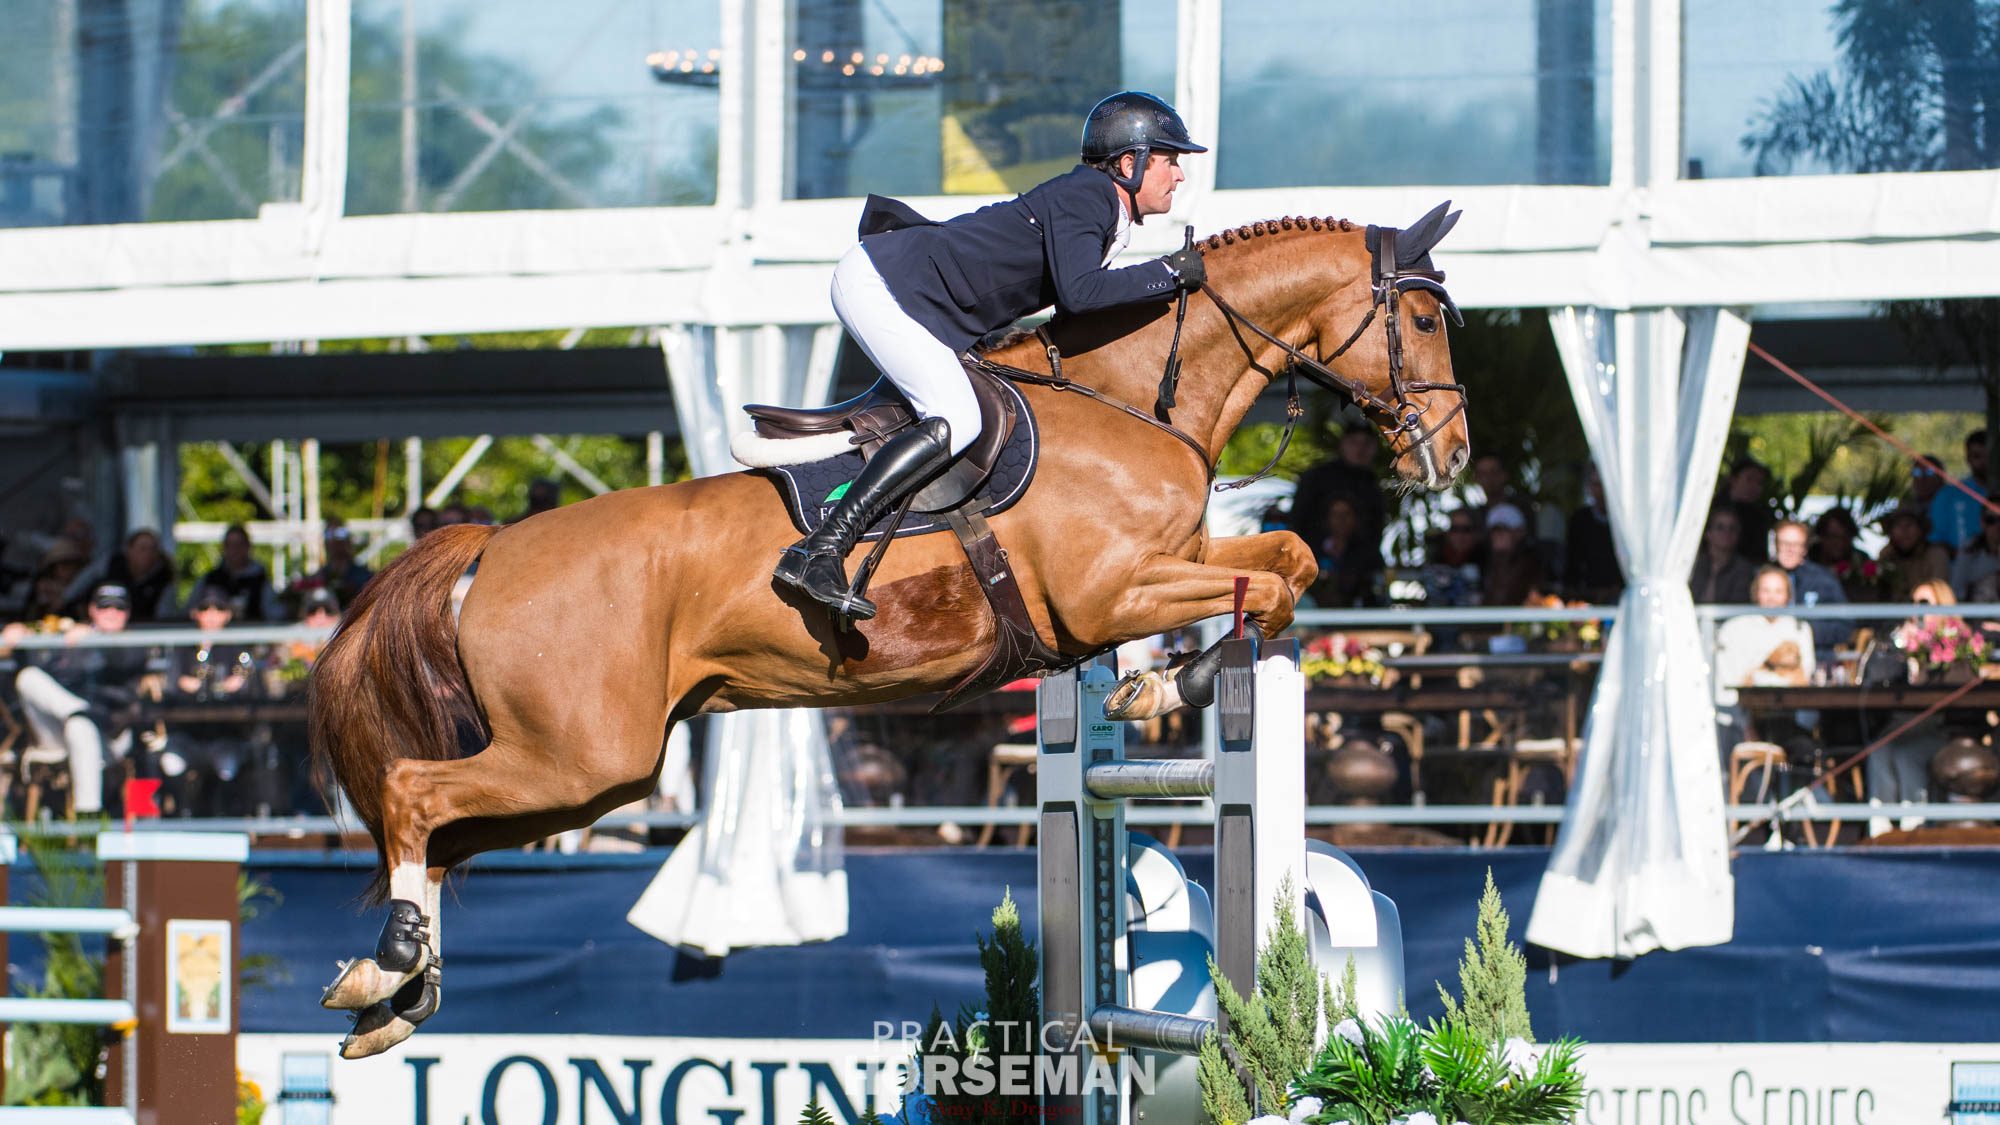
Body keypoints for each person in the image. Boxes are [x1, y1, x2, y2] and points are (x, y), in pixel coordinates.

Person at [775, 91, 1210, 620]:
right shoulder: (1089, 196)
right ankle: (819, 549)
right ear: (1129, 163)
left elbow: (1076, 310)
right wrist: (1169, 273)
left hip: (913, 293)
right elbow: (1081, 294)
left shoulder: (1102, 206)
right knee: (956, 417)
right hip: (884, 284)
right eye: (1170, 160)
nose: (1179, 176)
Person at [0, 583, 151, 816]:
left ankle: (86, 818)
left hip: (108, 736)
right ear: (92, 610)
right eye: (104, 607)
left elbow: (122, 662)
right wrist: (23, 634)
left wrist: (95, 637)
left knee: (80, 726)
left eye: (118, 608)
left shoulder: (134, 644)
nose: (111, 613)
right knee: (29, 677)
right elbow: (45, 673)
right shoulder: (72, 639)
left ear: (127, 613)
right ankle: (80, 711)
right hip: (56, 731)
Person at [1713, 565, 1817, 756]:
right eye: (1766, 590)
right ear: (1756, 593)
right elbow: (1728, 685)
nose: (1772, 597)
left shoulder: (1799, 628)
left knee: (1802, 746)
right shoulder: (1736, 628)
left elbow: (1804, 677)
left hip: (1789, 716)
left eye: (1778, 591)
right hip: (1742, 718)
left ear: (1788, 595)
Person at [1289, 426, 1386, 559]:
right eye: (1354, 442)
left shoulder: (1372, 485)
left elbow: (1375, 531)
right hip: (1312, 559)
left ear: (1375, 448)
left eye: (1367, 443)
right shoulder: (1316, 477)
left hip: (1359, 565)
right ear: (1343, 444)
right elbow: (1298, 521)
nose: (1360, 449)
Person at [1771, 519, 1852, 649]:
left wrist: (1803, 631)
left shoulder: (1824, 580)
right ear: (1775, 545)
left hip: (1815, 656)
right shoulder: (1758, 576)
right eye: (1784, 543)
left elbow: (1844, 627)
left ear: (1804, 549)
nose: (1790, 549)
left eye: (1796, 544)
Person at [1303, 497, 1384, 608]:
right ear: (1327, 519)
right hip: (1319, 614)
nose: (1341, 519)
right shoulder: (1311, 550)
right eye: (1336, 514)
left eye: (1346, 514)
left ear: (1355, 518)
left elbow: (1377, 584)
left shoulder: (1369, 552)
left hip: (1359, 615)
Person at [1562, 462, 1621, 603]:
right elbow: (1572, 565)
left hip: (1620, 597)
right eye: (1595, 484)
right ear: (1589, 486)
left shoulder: (1624, 522)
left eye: (1604, 483)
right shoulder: (1579, 520)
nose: (1600, 490)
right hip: (1586, 599)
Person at [198, 524, 281, 621]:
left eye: (239, 545)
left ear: (248, 547)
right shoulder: (210, 579)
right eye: (230, 545)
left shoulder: (261, 581)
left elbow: (275, 613)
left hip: (253, 633)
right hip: (216, 635)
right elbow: (188, 611)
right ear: (224, 548)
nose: (235, 550)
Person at [1875, 504, 1952, 603]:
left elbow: (1939, 595)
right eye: (1898, 525)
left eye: (1910, 524)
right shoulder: (1886, 557)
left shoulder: (1936, 555)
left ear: (1921, 529)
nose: (1904, 530)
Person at [1927, 430, 1987, 552]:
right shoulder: (1949, 495)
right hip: (1958, 568)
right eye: (1977, 456)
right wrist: (1964, 557)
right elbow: (1935, 539)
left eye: (1989, 456)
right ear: (1967, 458)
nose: (1983, 462)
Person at [97, 529, 176, 621]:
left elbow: (164, 617)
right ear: (129, 550)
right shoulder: (111, 567)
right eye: (143, 549)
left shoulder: (165, 579)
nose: (148, 554)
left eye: (153, 549)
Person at [1808, 507, 1880, 603]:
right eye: (1833, 537)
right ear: (1821, 536)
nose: (1839, 543)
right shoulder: (1806, 561)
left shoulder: (1861, 561)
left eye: (1845, 537)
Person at [1479, 504, 1546, 607]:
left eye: (1504, 529)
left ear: (1520, 532)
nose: (1498, 535)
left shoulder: (1533, 563)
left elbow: (1508, 598)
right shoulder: (1483, 560)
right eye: (1495, 530)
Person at [300, 521, 373, 609]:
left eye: (341, 533)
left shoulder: (368, 578)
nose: (335, 539)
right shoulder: (317, 578)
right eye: (329, 535)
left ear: (348, 541)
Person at [1690, 505, 1755, 604]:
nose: (1727, 532)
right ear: (1708, 533)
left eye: (1732, 528)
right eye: (1720, 527)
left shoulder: (1744, 569)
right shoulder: (1692, 564)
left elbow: (1738, 605)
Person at [1721, 459, 1775, 564]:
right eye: (1749, 479)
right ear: (1733, 480)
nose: (1754, 487)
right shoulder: (1713, 508)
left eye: (1759, 482)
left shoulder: (1760, 518)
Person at [1470, 453, 1536, 536]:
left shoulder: (1523, 508)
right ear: (1476, 478)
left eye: (1493, 472)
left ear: (1504, 475)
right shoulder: (1476, 516)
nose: (1488, 478)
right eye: (1483, 474)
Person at [1951, 506, 2000, 603]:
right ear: (1982, 523)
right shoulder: (1969, 549)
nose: (1998, 525)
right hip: (1978, 613)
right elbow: (1957, 592)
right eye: (1991, 520)